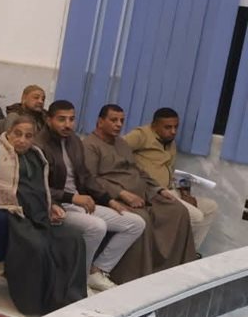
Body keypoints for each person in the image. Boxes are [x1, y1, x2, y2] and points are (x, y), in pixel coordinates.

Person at [0, 115, 88, 313]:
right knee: (36, 246)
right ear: (8, 133)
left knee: (73, 239)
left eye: (28, 136)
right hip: (9, 214)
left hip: (37, 217)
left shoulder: (37, 157)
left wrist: (52, 205)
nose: (22, 140)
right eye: (17, 134)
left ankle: (69, 298)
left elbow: (40, 189)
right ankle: (36, 304)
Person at [37, 100, 145, 292]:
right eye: (61, 119)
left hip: (79, 203)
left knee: (135, 223)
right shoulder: (38, 145)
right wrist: (71, 198)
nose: (68, 124)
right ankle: (79, 282)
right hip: (55, 206)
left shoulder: (74, 141)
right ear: (48, 120)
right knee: (97, 227)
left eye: (71, 119)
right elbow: (38, 187)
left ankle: (97, 272)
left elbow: (86, 177)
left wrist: (109, 200)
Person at [82, 104, 197, 282]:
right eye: (113, 120)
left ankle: (171, 270)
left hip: (144, 192)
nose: (119, 124)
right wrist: (122, 193)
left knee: (178, 211)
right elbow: (91, 179)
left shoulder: (121, 143)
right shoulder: (90, 145)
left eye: (121, 121)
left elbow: (138, 171)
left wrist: (159, 189)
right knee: (142, 220)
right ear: (100, 121)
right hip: (114, 197)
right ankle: (135, 277)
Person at [125, 107, 218, 251]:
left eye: (176, 127)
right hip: (153, 193)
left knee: (211, 207)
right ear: (154, 126)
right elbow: (116, 149)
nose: (173, 131)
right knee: (195, 217)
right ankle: (176, 254)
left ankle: (191, 254)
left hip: (171, 190)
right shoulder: (141, 135)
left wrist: (186, 194)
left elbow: (172, 170)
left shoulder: (170, 142)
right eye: (168, 127)